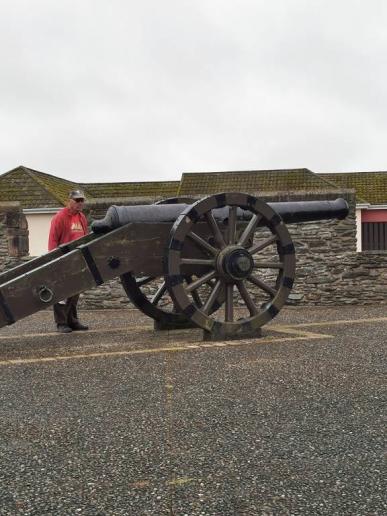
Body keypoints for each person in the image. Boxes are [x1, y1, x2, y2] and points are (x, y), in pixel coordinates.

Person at [48, 190, 89, 333]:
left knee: (75, 291)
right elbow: (53, 240)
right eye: (77, 200)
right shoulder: (59, 217)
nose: (80, 203)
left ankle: (72, 320)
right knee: (62, 293)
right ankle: (61, 323)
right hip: (63, 259)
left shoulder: (82, 217)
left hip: (77, 259)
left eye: (82, 200)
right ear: (69, 201)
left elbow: (85, 237)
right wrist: (54, 260)